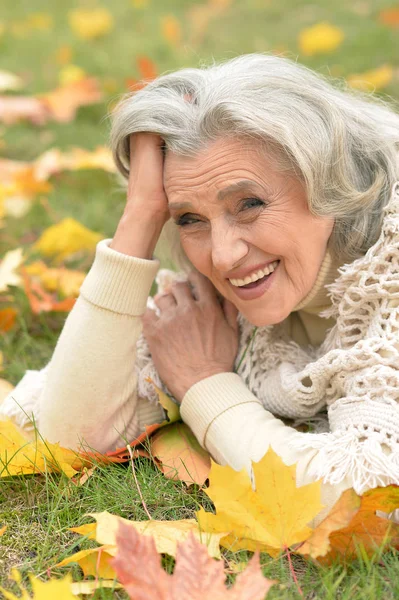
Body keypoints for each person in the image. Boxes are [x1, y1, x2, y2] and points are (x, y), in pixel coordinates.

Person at [2, 54, 399, 524]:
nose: (223, 256)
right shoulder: (217, 294)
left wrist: (204, 384)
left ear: (328, 179)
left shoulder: (384, 272)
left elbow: (365, 502)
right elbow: (70, 431)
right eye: (188, 218)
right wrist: (142, 217)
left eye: (249, 204)